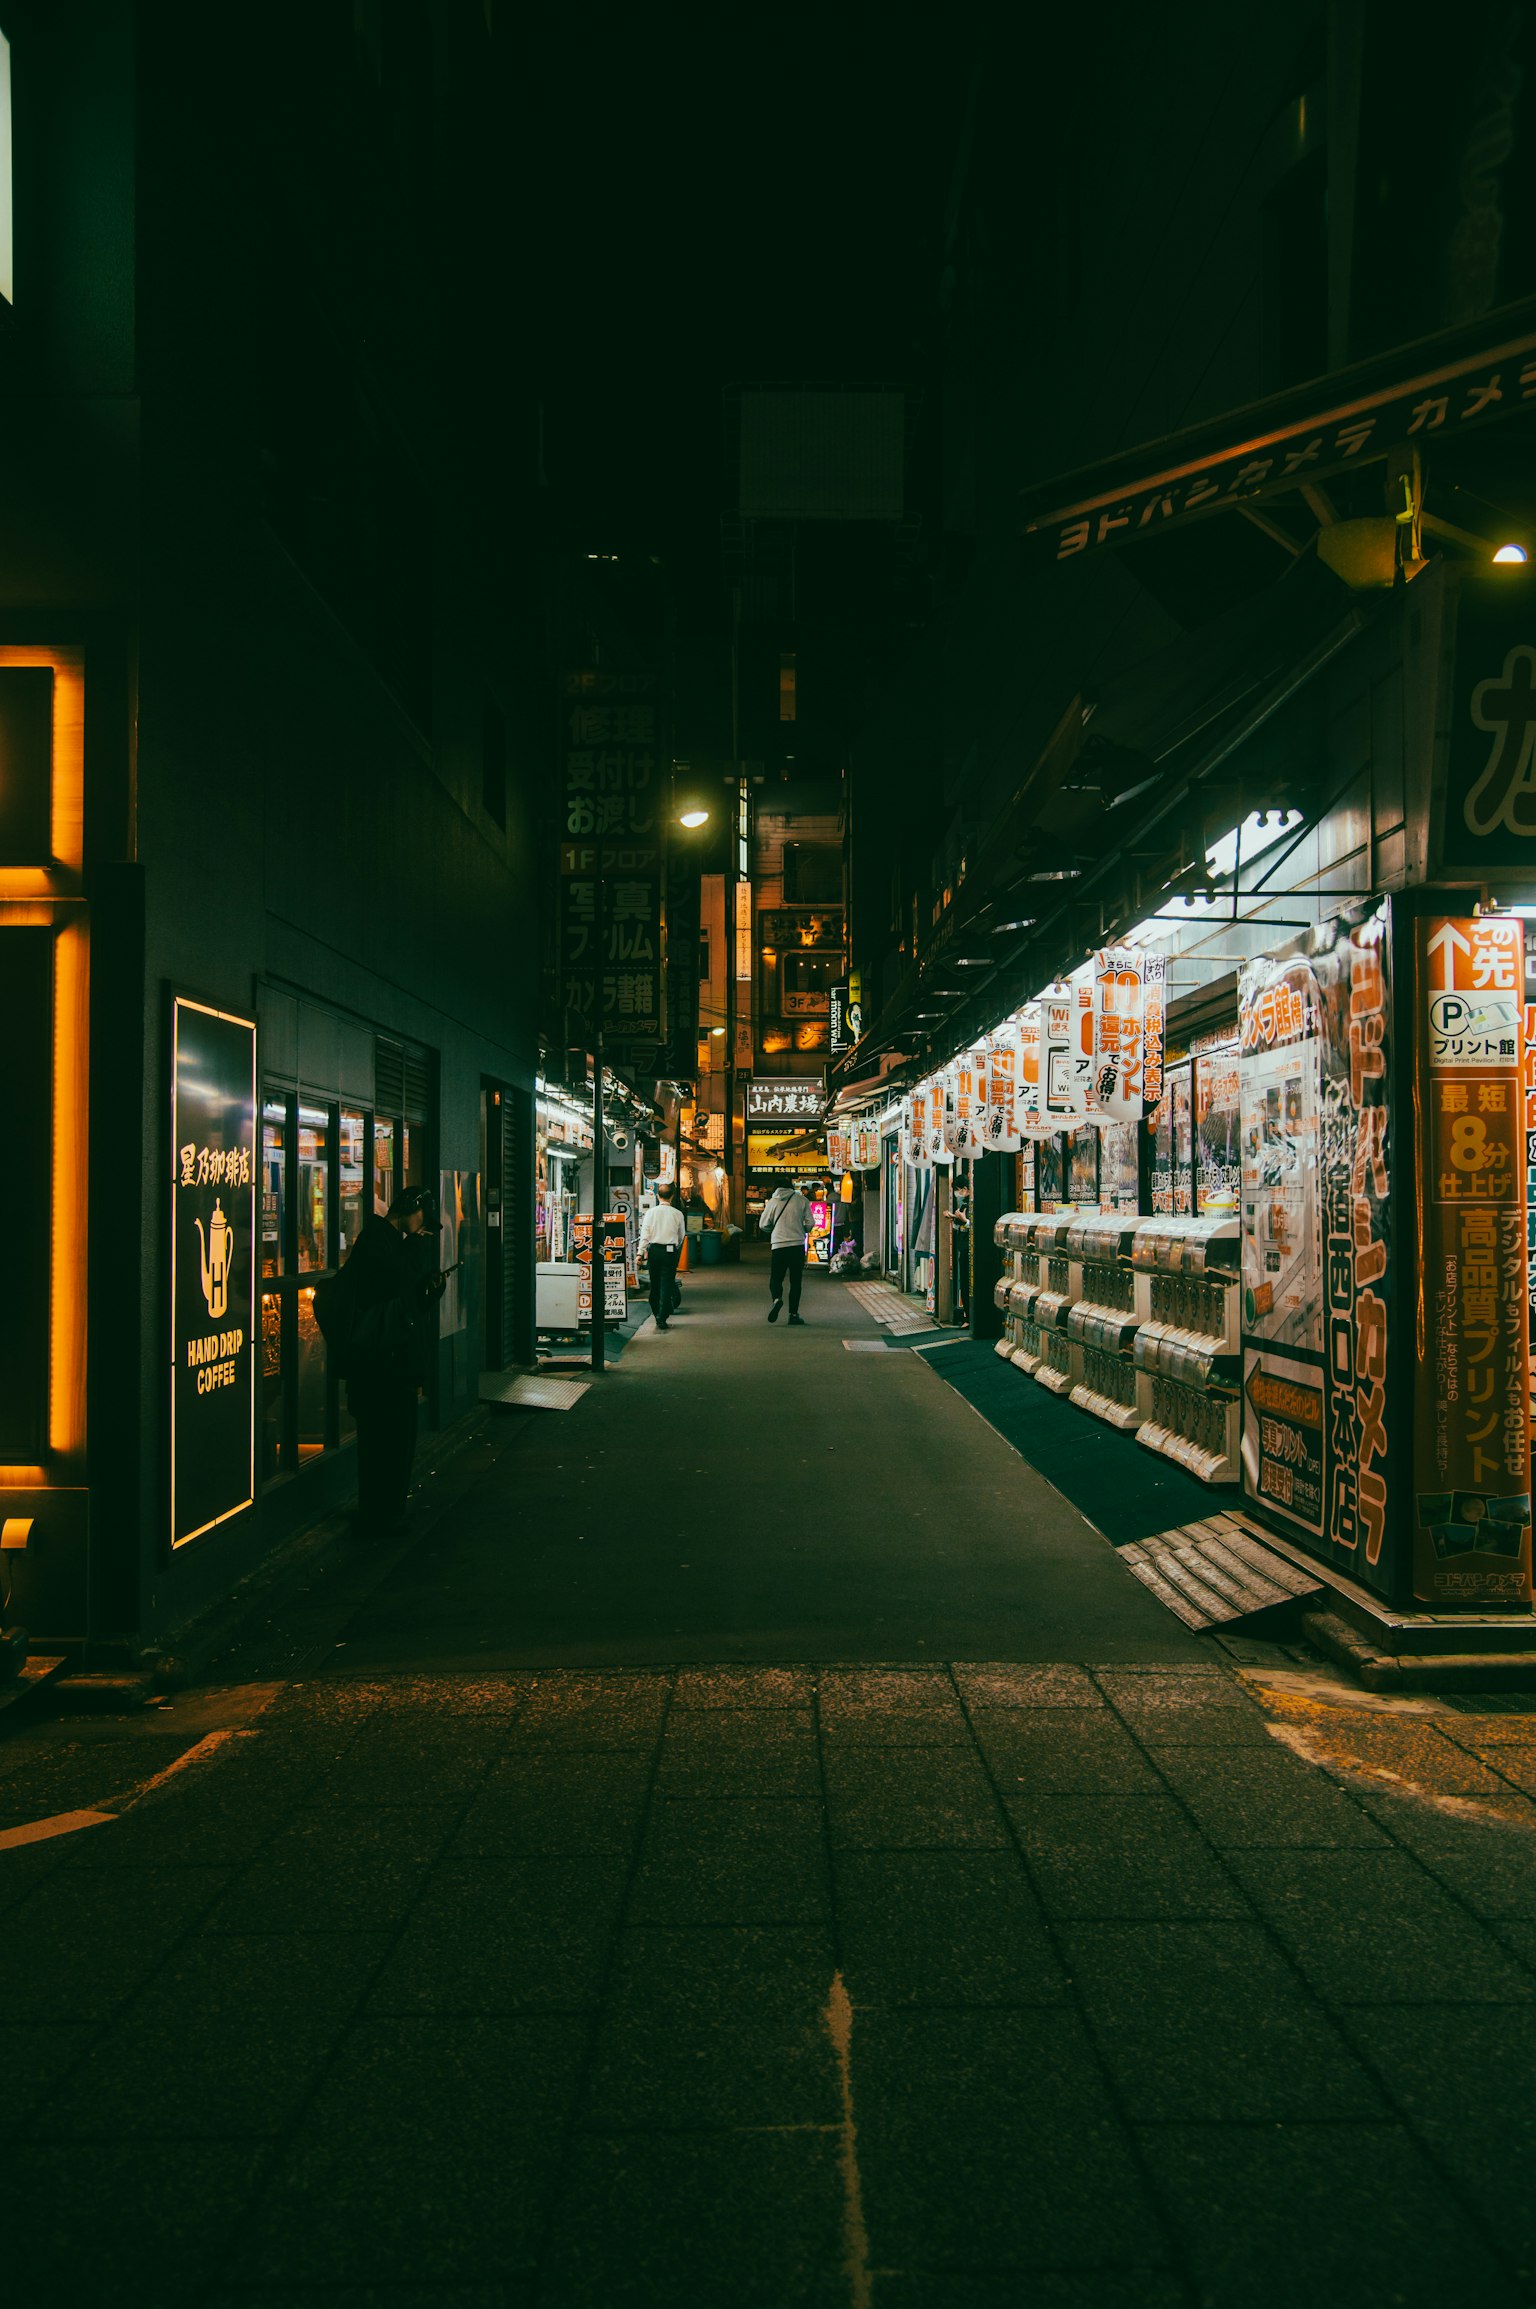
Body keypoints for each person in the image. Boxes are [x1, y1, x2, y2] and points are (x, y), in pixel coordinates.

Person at [340, 1185, 447, 1535]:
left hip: (393, 1362)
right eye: (421, 1219)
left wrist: (429, 1290)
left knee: (397, 1440)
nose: (422, 1228)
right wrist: (416, 1248)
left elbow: (404, 1301)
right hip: (378, 1365)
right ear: (407, 1208)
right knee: (381, 1442)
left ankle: (389, 1509)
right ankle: (378, 1513)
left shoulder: (392, 1242)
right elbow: (391, 1284)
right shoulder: (375, 1240)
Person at [760, 1177, 814, 1324]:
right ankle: (793, 1315)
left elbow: (763, 1224)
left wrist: (773, 1230)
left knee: (776, 1278)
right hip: (797, 1245)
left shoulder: (773, 1202)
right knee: (795, 1281)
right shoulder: (802, 1200)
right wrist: (802, 1230)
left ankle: (777, 1299)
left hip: (778, 1245)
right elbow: (811, 1222)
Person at [637, 1181, 686, 1331]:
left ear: (658, 1196)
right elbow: (681, 1236)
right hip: (669, 1251)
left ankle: (656, 1311)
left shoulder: (650, 1213)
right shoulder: (678, 1214)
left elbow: (645, 1234)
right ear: (672, 1197)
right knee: (666, 1284)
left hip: (654, 1251)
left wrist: (640, 1253)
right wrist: (674, 1248)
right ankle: (662, 1317)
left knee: (655, 1284)